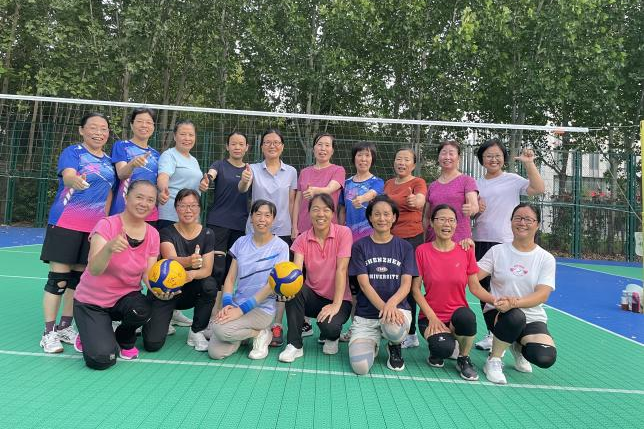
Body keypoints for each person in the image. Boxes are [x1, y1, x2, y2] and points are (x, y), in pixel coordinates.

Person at [39, 112, 115, 353]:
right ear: (82, 130)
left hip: (93, 229)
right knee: (58, 280)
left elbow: (109, 194)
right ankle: (48, 333)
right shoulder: (73, 152)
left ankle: (64, 326)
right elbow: (69, 176)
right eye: (93, 127)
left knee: (78, 282)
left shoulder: (109, 161)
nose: (98, 132)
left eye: (103, 128)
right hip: (66, 223)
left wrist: (106, 222)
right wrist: (75, 181)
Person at [73, 180, 169, 370]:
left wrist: (160, 291)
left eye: (150, 200)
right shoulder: (106, 225)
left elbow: (148, 273)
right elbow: (94, 269)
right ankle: (88, 332)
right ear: (126, 198)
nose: (144, 203)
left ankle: (124, 338)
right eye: (139, 197)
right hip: (92, 302)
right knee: (102, 360)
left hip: (124, 299)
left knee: (143, 309)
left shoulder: (153, 234)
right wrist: (108, 249)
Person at [473, 138, 545, 351]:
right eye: (488, 156)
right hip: (481, 240)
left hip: (505, 242)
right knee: (484, 290)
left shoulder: (513, 180)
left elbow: (538, 188)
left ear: (503, 158)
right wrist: (476, 209)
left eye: (497, 155)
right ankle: (492, 333)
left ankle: (510, 332)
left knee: (503, 286)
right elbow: (469, 213)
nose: (493, 159)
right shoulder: (475, 184)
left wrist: (529, 163)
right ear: (482, 159)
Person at [413, 204, 497, 381]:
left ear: (456, 225)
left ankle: (463, 358)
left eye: (451, 220)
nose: (447, 224)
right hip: (430, 318)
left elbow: (475, 287)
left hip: (457, 317)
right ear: (432, 223)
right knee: (442, 349)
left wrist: (496, 301)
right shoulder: (422, 251)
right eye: (441, 219)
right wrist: (432, 317)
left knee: (467, 317)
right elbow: (415, 290)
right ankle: (440, 348)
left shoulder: (466, 251)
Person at [479, 203, 557, 385]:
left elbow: (542, 295)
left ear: (537, 224)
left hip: (532, 316)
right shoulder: (497, 251)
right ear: (511, 221)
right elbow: (473, 277)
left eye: (528, 219)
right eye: (518, 218)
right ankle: (494, 359)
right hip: (500, 313)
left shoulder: (545, 258)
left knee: (544, 357)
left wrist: (514, 303)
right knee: (515, 317)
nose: (522, 223)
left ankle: (517, 346)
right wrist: (493, 300)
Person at [237, 129, 298, 347]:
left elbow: (292, 202)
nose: (272, 145)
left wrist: (294, 227)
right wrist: (244, 180)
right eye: (268, 142)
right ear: (262, 146)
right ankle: (250, 317)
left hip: (282, 231)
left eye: (276, 142)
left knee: (279, 280)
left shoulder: (291, 172)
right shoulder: (252, 168)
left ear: (282, 146)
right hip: (256, 232)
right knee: (254, 276)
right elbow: (243, 188)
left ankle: (276, 324)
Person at [208, 200, 290, 360]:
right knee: (215, 353)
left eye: (267, 215)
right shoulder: (241, 242)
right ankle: (246, 335)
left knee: (219, 328)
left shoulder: (281, 247)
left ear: (273, 219)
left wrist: (240, 311)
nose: (262, 219)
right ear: (251, 218)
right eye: (258, 214)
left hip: (262, 309)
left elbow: (271, 285)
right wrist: (227, 304)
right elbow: (230, 278)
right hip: (237, 305)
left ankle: (261, 334)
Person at [279, 194, 353, 363]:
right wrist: (285, 289)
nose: (321, 214)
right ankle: (294, 345)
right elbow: (296, 273)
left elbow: (341, 269)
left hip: (339, 300)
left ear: (332, 213)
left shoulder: (344, 233)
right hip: (313, 297)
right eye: (316, 209)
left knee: (330, 327)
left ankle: (331, 337)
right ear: (309, 212)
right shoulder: (301, 239)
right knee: (294, 289)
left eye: (326, 210)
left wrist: (336, 304)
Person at [142, 189, 218, 353]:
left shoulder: (207, 233)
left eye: (193, 205)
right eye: (183, 205)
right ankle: (156, 319)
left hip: (191, 291)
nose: (188, 210)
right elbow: (170, 259)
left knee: (209, 285)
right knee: (152, 344)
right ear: (176, 208)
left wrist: (191, 274)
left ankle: (196, 331)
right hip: (166, 291)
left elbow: (207, 270)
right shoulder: (166, 232)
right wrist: (189, 261)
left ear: (200, 208)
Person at [347, 196, 417, 374]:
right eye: (377, 214)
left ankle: (394, 345)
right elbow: (364, 285)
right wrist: (386, 309)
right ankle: (373, 343)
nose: (382, 218)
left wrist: (391, 306)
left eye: (386, 214)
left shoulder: (405, 247)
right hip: (367, 316)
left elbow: (406, 284)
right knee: (360, 367)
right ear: (370, 217)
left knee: (393, 330)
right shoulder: (359, 246)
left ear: (394, 217)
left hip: (397, 312)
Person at [291, 133, 345, 338]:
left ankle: (330, 313)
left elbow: (332, 188)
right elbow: (298, 201)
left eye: (327, 145)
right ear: (313, 148)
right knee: (301, 276)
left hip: (327, 232)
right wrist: (295, 226)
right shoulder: (304, 172)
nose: (323, 148)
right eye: (319, 144)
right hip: (305, 231)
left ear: (332, 150)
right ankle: (303, 323)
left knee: (327, 274)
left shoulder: (338, 170)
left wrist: (316, 191)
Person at [338, 141, 384, 342]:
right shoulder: (346, 183)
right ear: (354, 158)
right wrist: (341, 230)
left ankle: (379, 325)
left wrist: (362, 198)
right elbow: (341, 210)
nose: (363, 159)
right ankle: (355, 327)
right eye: (360, 155)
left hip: (371, 243)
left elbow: (372, 194)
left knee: (373, 286)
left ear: (372, 159)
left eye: (367, 155)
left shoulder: (377, 182)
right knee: (354, 289)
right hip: (350, 245)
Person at [383, 148, 427, 349]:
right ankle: (389, 324)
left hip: (412, 240)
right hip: (390, 239)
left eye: (406, 159)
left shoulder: (418, 182)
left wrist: (415, 200)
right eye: (398, 158)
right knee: (390, 283)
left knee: (409, 286)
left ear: (413, 165)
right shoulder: (388, 184)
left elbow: (420, 199)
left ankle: (411, 333)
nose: (401, 162)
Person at [204, 132, 250, 293]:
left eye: (241, 144)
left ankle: (225, 304)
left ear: (246, 147)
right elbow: (211, 174)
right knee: (216, 269)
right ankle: (212, 304)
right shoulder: (219, 165)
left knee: (231, 269)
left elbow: (244, 188)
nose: (237, 147)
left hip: (239, 225)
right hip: (218, 222)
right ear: (227, 146)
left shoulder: (249, 170)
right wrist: (207, 179)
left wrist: (245, 180)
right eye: (233, 144)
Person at [110, 108, 160, 225]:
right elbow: (121, 174)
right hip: (123, 209)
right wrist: (132, 164)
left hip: (149, 213)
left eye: (148, 122)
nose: (144, 125)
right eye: (139, 121)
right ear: (132, 125)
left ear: (153, 127)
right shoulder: (121, 146)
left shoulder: (156, 155)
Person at [156, 120, 209, 230]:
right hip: (171, 216)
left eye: (191, 135)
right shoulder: (169, 155)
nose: (187, 138)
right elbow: (163, 176)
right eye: (183, 134)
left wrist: (202, 185)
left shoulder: (194, 160)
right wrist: (163, 190)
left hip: (191, 217)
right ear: (175, 136)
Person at [424, 139, 478, 243]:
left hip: (460, 241)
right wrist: (425, 238)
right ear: (438, 157)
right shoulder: (432, 186)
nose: (447, 157)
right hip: (434, 241)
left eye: (451, 153)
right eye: (444, 153)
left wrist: (471, 209)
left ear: (459, 158)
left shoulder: (467, 181)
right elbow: (426, 217)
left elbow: (474, 205)